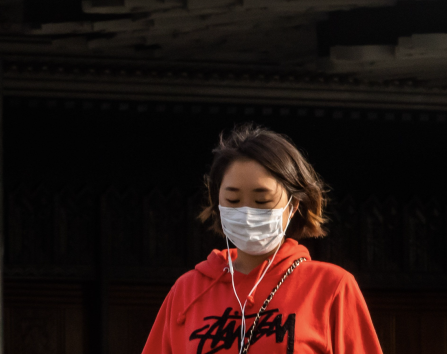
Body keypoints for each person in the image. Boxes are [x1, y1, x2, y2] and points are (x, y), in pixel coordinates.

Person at [142, 123, 383, 354]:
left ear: (293, 205)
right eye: (233, 201)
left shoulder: (331, 287)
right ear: (217, 204)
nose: (247, 213)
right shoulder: (187, 291)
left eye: (262, 201)